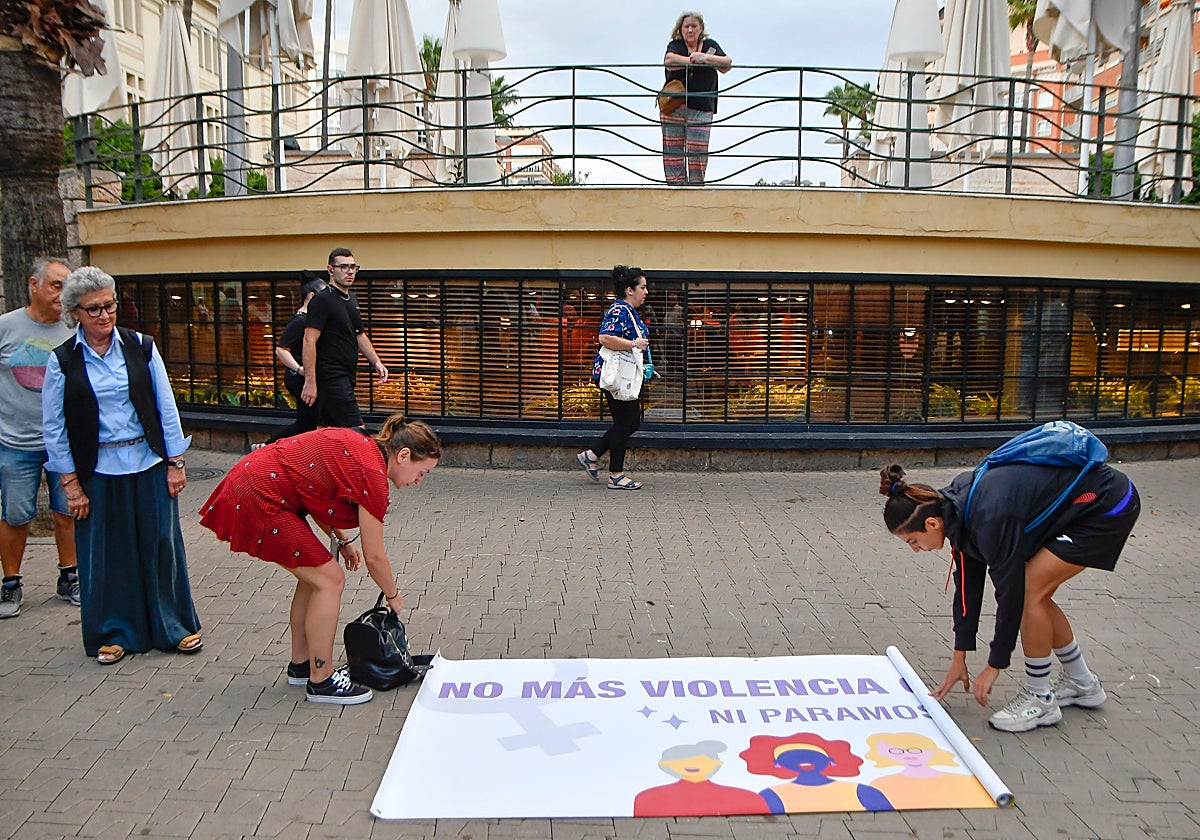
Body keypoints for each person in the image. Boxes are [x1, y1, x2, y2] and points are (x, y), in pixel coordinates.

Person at [878, 454, 1140, 733]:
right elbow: (967, 586)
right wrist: (959, 656)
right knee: (1036, 591)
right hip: (1087, 502)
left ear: (931, 524)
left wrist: (995, 664)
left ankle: (1039, 697)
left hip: (1108, 503)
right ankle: (1081, 682)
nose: (915, 550)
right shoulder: (955, 509)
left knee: (1029, 592)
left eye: (913, 541)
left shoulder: (987, 518)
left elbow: (1010, 595)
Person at [199, 416, 440, 705]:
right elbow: (375, 556)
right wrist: (393, 595)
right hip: (258, 495)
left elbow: (316, 489)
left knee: (314, 579)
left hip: (254, 483)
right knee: (329, 580)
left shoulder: (365, 448)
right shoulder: (372, 474)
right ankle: (322, 680)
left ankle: (302, 666)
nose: (419, 481)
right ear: (403, 455)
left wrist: (341, 541)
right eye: (422, 472)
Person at [42, 267, 202, 665]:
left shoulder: (141, 346)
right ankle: (113, 633)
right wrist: (70, 484)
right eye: (94, 309)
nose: (105, 315)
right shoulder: (62, 360)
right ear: (75, 313)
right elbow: (54, 427)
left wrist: (175, 462)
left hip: (147, 461)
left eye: (109, 305)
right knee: (106, 553)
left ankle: (173, 627)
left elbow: (166, 408)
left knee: (160, 544)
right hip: (97, 470)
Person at [0, 258, 78, 618]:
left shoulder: (73, 331)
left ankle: (70, 576)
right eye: (56, 285)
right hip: (14, 442)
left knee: (68, 511)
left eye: (67, 286)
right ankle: (11, 583)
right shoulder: (6, 327)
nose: (62, 293)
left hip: (63, 443)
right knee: (16, 515)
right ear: (34, 285)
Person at [577, 266, 651, 491]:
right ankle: (616, 475)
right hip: (615, 376)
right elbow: (605, 337)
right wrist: (633, 344)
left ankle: (592, 455)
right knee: (624, 422)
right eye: (642, 287)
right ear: (630, 290)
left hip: (623, 376)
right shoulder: (619, 310)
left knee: (631, 422)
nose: (646, 292)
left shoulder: (629, 311)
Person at [301, 248, 388, 429]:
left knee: (326, 430)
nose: (349, 271)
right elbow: (309, 340)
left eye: (353, 267)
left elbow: (359, 334)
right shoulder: (322, 300)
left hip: (347, 374)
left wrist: (377, 362)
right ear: (330, 270)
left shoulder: (352, 299)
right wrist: (310, 381)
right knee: (357, 431)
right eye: (343, 267)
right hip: (332, 375)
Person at [254, 274, 326, 448]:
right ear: (312, 296)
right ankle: (267, 447)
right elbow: (281, 350)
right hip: (299, 380)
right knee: (307, 423)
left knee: (308, 422)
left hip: (306, 378)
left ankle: (271, 448)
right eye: (323, 295)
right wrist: (301, 370)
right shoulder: (300, 321)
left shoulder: (311, 320)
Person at [661, 11, 732, 186]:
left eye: (694, 26)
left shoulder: (710, 46)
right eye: (686, 26)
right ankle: (675, 187)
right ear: (680, 29)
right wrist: (691, 60)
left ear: (701, 28)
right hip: (674, 105)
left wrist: (705, 58)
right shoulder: (676, 45)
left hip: (702, 106)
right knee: (673, 151)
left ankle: (696, 187)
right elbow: (669, 60)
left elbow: (727, 63)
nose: (690, 30)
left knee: (698, 151)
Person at [863, 732, 995, 809]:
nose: (907, 754)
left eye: (915, 750)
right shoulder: (880, 783)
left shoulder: (964, 779)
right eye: (896, 751)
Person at [633, 740, 766, 816]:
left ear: (717, 763)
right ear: (666, 765)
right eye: (683, 760)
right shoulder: (647, 798)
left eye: (702, 760)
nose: (693, 765)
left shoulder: (747, 798)